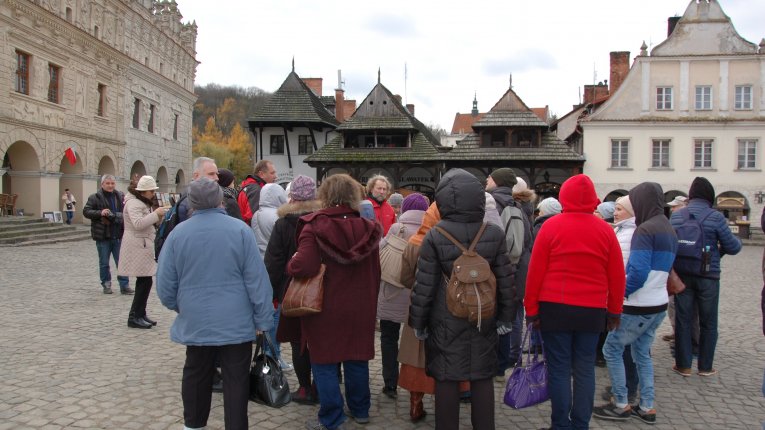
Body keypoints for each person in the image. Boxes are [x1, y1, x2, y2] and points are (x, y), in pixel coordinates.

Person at [156, 177, 274, 430]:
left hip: (197, 318)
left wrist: (182, 306)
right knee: (236, 379)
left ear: (192, 203)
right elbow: (257, 280)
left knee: (196, 373)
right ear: (220, 200)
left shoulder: (178, 234)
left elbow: (165, 284)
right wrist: (263, 319)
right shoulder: (240, 230)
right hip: (236, 320)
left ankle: (193, 425)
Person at [409, 168, 516, 430]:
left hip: (444, 316)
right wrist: (506, 317)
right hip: (484, 314)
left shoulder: (435, 234)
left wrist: (418, 323)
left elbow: (425, 284)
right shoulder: (493, 233)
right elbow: (506, 280)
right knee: (482, 377)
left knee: (446, 378)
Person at [525, 174, 625, 430]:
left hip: (554, 308)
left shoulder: (551, 226)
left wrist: (531, 309)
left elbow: (535, 272)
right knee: (584, 369)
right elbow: (616, 276)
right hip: (591, 311)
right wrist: (614, 311)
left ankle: (560, 424)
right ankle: (580, 424)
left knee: (558, 369)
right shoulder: (605, 230)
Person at [286, 174, 383, 430]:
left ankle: (331, 418)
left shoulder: (314, 226)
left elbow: (303, 265)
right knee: (357, 357)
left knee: (325, 361)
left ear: (325, 196)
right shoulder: (369, 228)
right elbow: (376, 270)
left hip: (325, 306)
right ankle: (361, 410)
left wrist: (292, 263)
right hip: (361, 304)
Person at [593, 183, 677, 425]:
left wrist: (617, 295)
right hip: (658, 303)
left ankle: (620, 403)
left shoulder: (645, 230)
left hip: (638, 304)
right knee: (642, 353)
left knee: (611, 349)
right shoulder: (668, 228)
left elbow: (638, 273)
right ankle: (647, 406)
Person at [671, 177, 741, 377]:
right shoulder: (715, 217)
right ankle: (705, 366)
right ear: (710, 195)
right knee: (708, 322)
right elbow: (733, 247)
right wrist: (717, 251)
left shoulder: (676, 216)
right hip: (707, 275)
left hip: (682, 275)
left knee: (683, 320)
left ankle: (683, 365)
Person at [265, 175, 322, 405]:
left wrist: (273, 294)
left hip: (291, 289)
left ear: (292, 196)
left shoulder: (283, 223)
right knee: (318, 339)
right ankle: (321, 384)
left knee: (298, 341)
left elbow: (273, 262)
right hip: (319, 288)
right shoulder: (320, 220)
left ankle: (304, 388)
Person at [377, 193, 429, 400]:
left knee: (388, 337)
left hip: (393, 290)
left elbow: (382, 250)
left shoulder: (396, 228)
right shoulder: (430, 231)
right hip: (419, 293)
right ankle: (417, 387)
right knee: (418, 340)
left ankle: (390, 384)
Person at [486, 167, 530, 376]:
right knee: (509, 316)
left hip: (494, 268)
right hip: (515, 268)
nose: (486, 180)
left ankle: (491, 361)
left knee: (490, 316)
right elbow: (527, 241)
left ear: (497, 181)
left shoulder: (491, 202)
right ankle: (506, 361)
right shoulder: (518, 205)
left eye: (490, 178)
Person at [599, 196, 639, 403]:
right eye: (615, 208)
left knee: (622, 346)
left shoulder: (629, 234)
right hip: (622, 296)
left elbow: (619, 268)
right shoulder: (621, 230)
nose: (616, 212)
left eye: (620, 209)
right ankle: (625, 386)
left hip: (625, 297)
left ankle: (624, 392)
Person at [117, 176, 167, 329]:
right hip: (138, 244)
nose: (153, 194)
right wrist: (156, 214)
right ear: (143, 191)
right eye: (151, 191)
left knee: (145, 281)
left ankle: (140, 313)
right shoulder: (134, 203)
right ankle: (134, 316)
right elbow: (138, 224)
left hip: (142, 244)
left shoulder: (139, 202)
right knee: (144, 282)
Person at [252, 182, 290, 371]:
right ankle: (273, 354)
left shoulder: (257, 214)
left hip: (259, 265)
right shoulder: (277, 216)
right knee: (275, 315)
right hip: (274, 267)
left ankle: (268, 352)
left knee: (265, 312)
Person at [82, 174, 132, 295]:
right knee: (104, 263)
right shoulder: (95, 197)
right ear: (102, 184)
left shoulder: (120, 196)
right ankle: (106, 284)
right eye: (108, 183)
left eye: (112, 183)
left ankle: (124, 285)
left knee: (121, 262)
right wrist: (100, 213)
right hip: (103, 235)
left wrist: (116, 216)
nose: (110, 185)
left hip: (117, 234)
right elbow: (86, 211)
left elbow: (126, 212)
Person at [178, 157, 219, 222]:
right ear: (196, 176)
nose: (217, 178)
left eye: (217, 174)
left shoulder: (205, 196)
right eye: (211, 174)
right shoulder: (190, 200)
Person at [238, 160, 277, 224]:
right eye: (272, 173)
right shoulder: (256, 190)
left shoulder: (249, 186)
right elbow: (253, 218)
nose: (276, 176)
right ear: (261, 174)